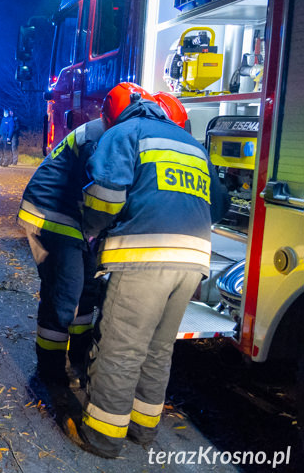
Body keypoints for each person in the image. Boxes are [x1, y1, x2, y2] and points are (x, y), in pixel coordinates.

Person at [72, 83, 227, 458]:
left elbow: (105, 197)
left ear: (113, 114)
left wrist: (90, 229)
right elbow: (218, 207)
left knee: (121, 348)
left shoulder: (125, 133)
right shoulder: (192, 146)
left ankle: (103, 438)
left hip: (143, 259)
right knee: (158, 349)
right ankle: (143, 430)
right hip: (193, 262)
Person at [17, 117, 106, 387]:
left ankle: (78, 360)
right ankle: (50, 371)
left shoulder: (103, 131)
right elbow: (104, 186)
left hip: (70, 218)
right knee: (65, 292)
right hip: (51, 216)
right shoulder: (98, 138)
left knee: (86, 290)